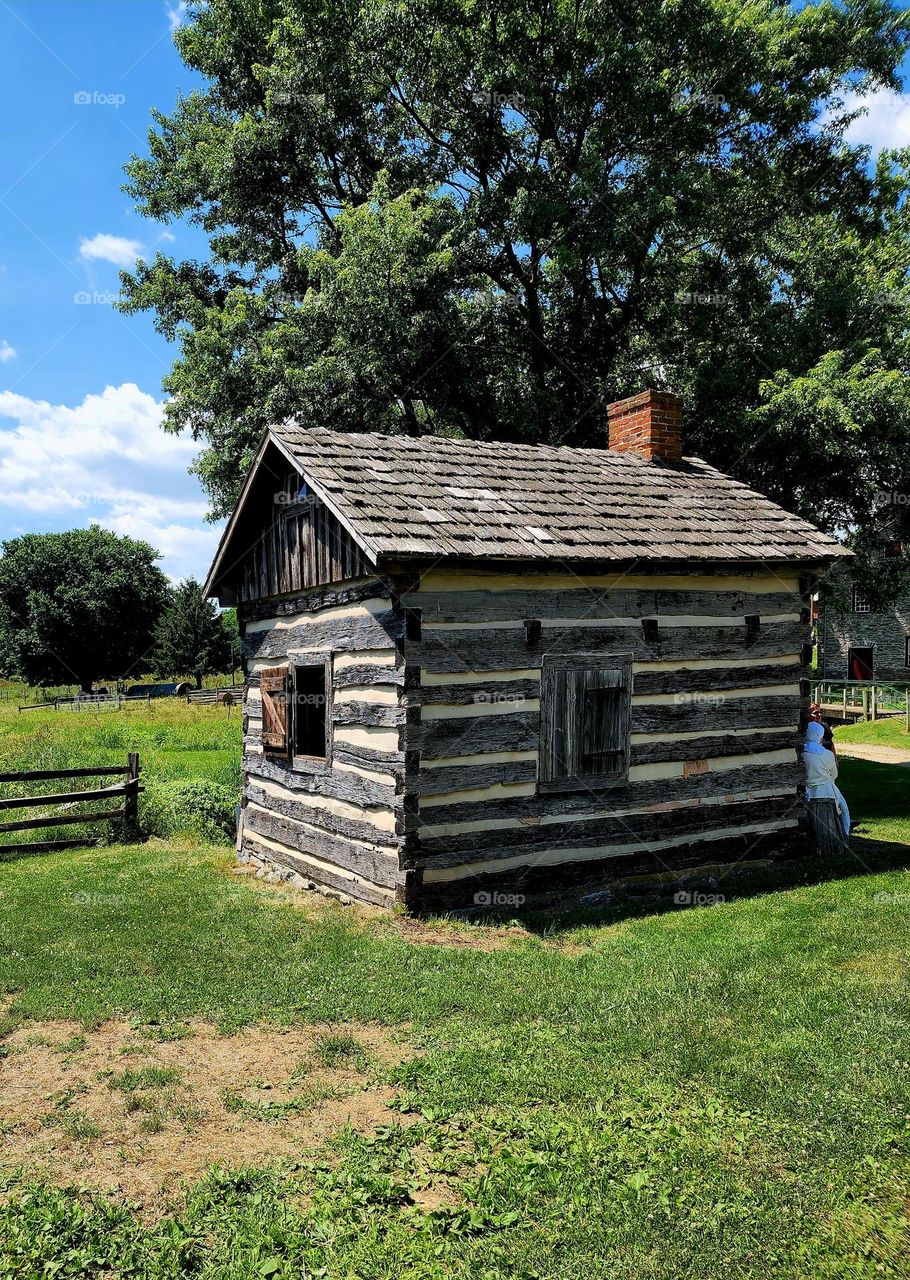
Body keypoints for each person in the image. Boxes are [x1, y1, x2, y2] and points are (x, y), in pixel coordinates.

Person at [803, 721, 850, 839]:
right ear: (820, 736)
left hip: (806, 790)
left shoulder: (801, 753)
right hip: (826, 789)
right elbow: (834, 774)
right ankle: (845, 830)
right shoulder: (827, 754)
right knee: (843, 806)